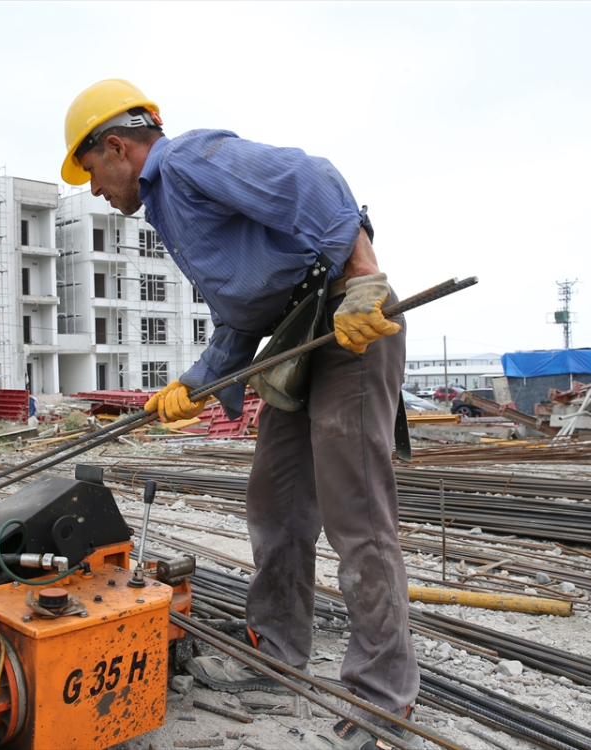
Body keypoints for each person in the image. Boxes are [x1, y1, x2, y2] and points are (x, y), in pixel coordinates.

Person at [61, 81, 420, 749]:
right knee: (276, 502)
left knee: (355, 512)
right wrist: (193, 385)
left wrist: (364, 277)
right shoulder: (168, 209)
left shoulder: (188, 161)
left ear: (115, 147)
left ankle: (382, 697)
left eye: (90, 172)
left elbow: (309, 180)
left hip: (347, 324)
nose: (93, 189)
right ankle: (277, 652)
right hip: (294, 336)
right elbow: (242, 315)